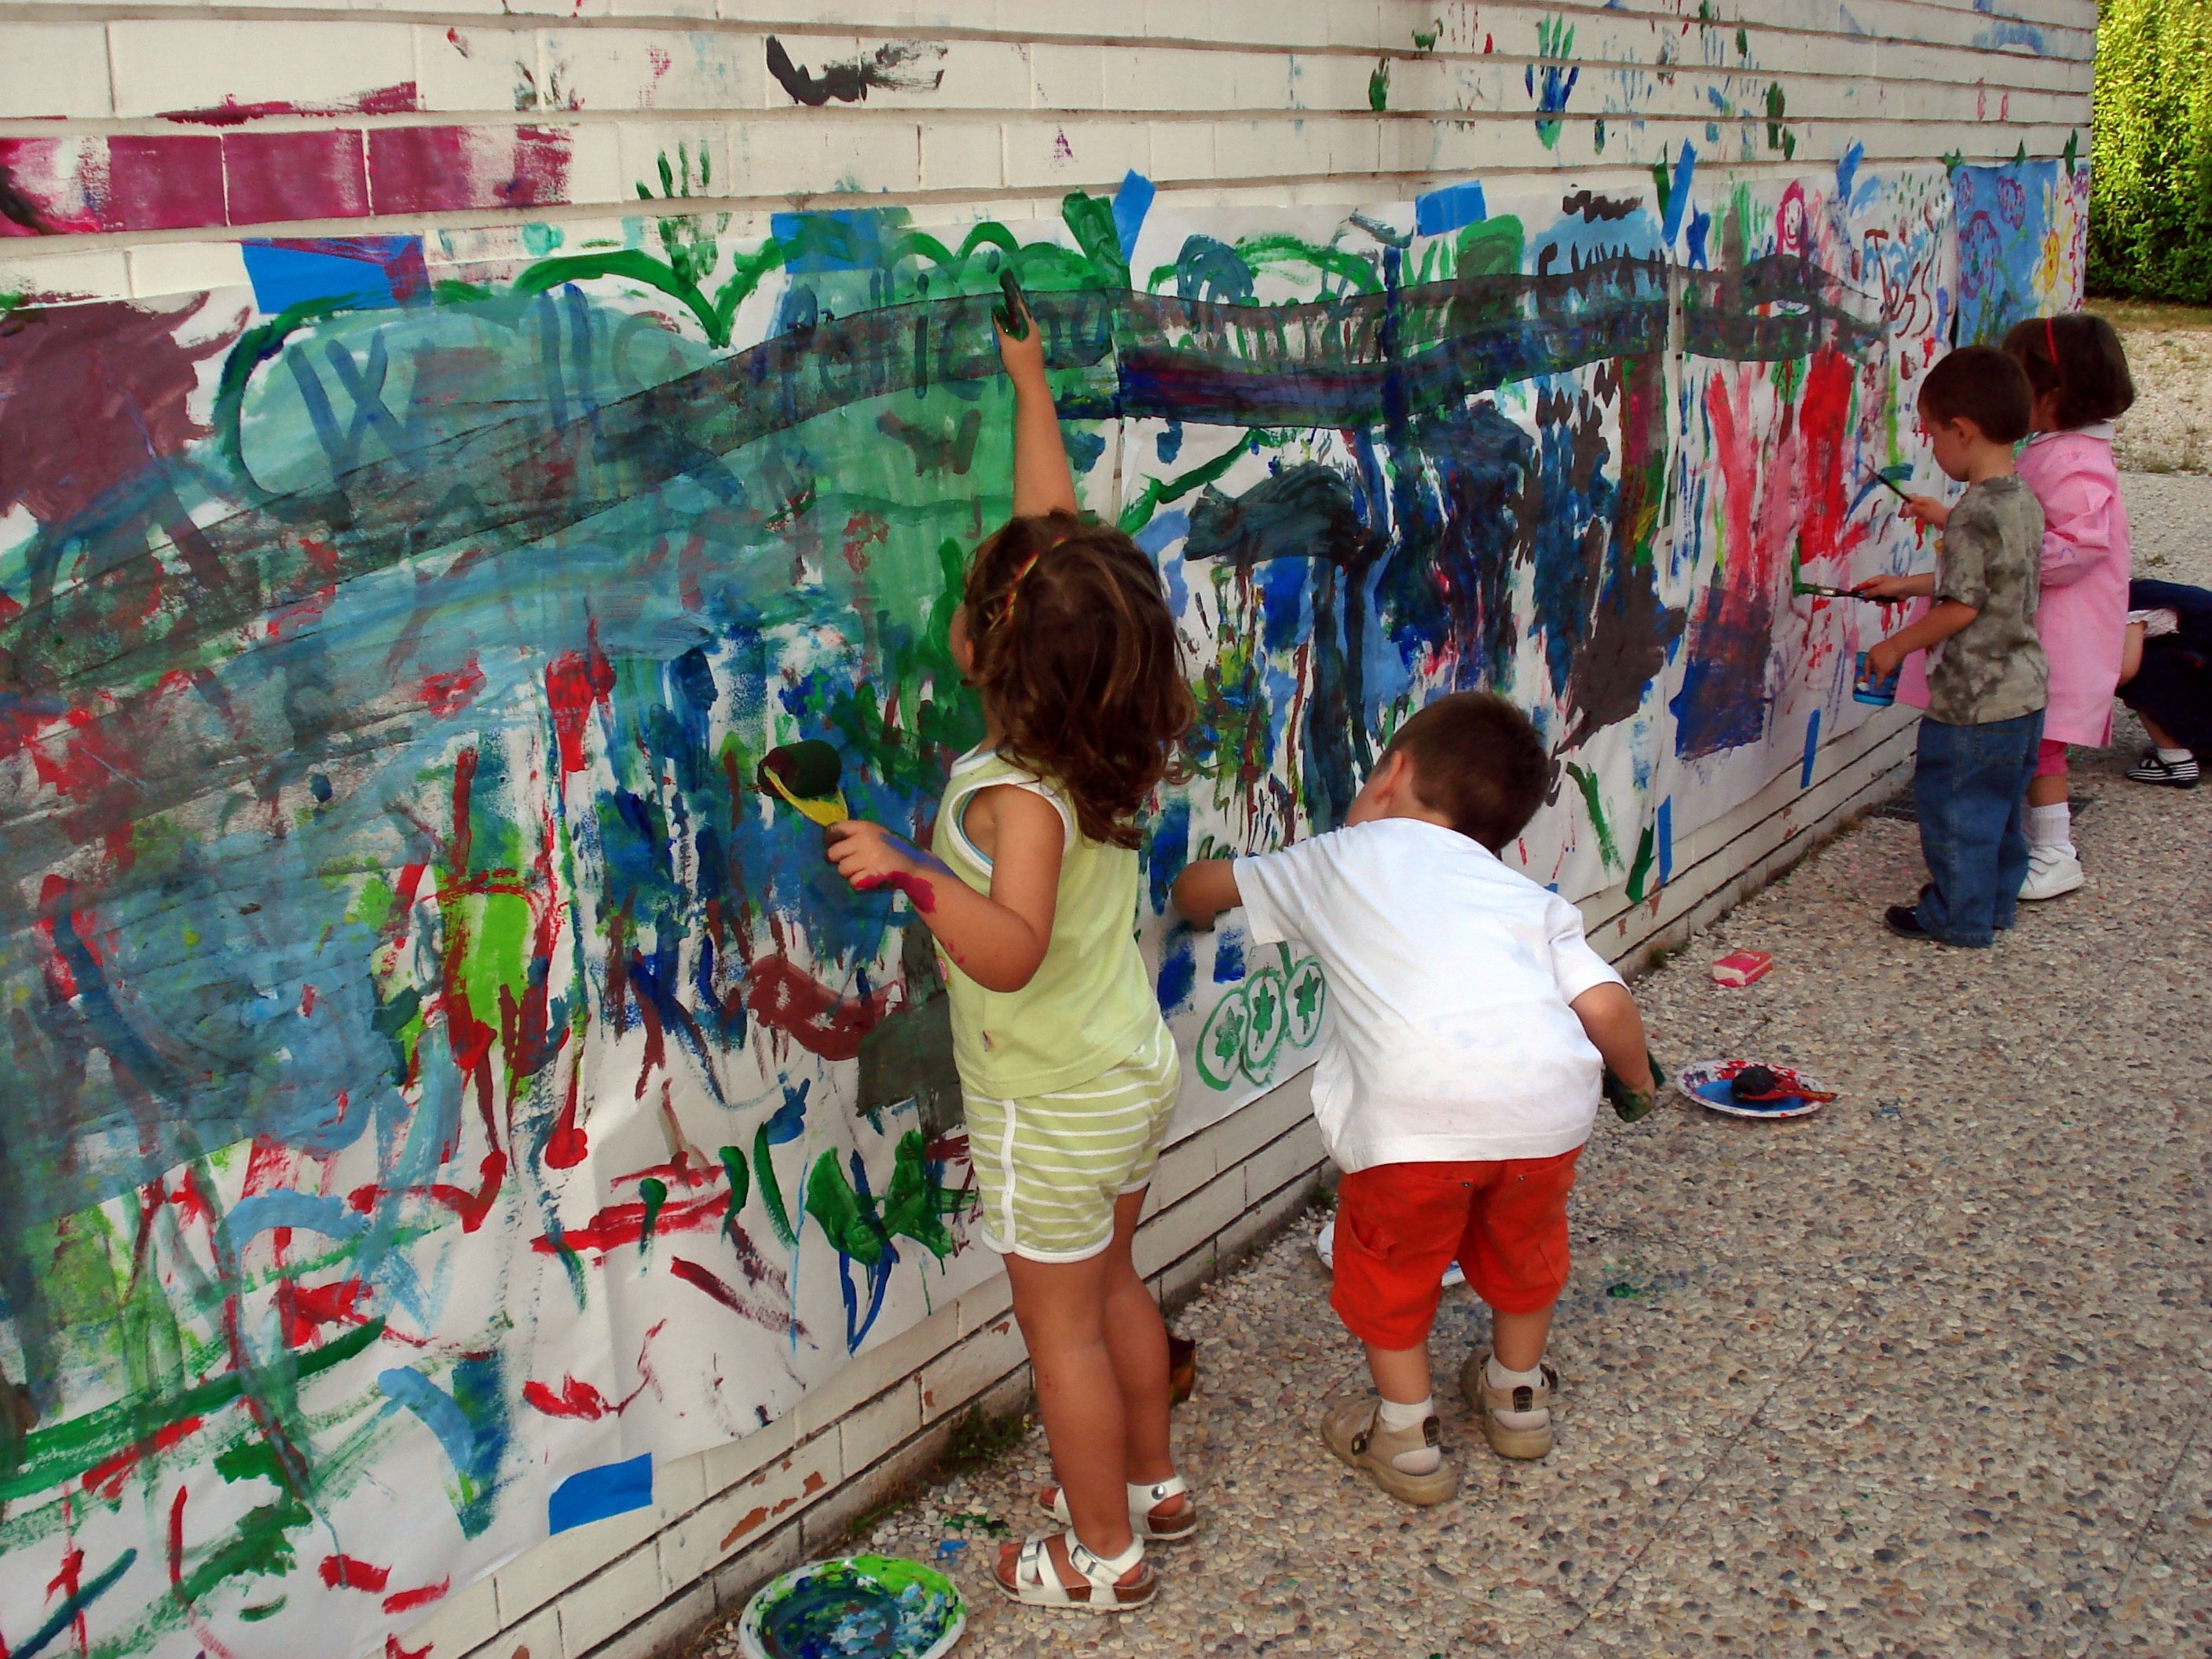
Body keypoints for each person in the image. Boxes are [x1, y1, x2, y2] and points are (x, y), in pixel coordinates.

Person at [823, 295, 1196, 1613]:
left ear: (990, 648)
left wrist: (913, 874)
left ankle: (1102, 1553)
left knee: (1061, 1336)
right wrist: (1031, 385)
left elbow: (1011, 948)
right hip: (1125, 1070)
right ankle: (1152, 1480)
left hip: (1049, 1092)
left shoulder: (1009, 797)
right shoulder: (1101, 732)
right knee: (1114, 1289)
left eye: (972, 595)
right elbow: (1057, 542)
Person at [1170, 693, 1657, 1506]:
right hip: (1543, 1121)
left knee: (1392, 1271)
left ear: (1391, 773)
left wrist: (1183, 896)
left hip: (1413, 1127)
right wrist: (1637, 1086)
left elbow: (1205, 890)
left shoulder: (1342, 856)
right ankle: (1516, 1397)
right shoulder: (1527, 900)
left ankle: (1405, 1438)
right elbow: (1605, 1009)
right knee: (1522, 1254)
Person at [1857, 345, 2048, 947]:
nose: (1933, 448)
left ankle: (1956, 918)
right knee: (2000, 812)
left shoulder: (1969, 516)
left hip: (1972, 702)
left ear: (1962, 431)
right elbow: (1991, 585)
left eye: (1933, 435)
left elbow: (1962, 606)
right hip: (2024, 694)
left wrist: (1896, 646)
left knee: (1955, 810)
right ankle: (1991, 903)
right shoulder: (2020, 499)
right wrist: (1907, 584)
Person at [1998, 313, 2137, 899]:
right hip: (2053, 624)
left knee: (2044, 740)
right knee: (2038, 738)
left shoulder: (2071, 459)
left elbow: (2081, 543)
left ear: (2050, 393)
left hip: (2063, 630)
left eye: (2016, 381)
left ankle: (2056, 853)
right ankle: (2040, 843)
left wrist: (2009, 558)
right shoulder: (2058, 449)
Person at [2119, 578, 2212, 786]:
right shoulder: (2146, 591)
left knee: (2138, 668)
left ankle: (2175, 761)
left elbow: (2125, 672)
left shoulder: (2129, 605)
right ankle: (2197, 741)